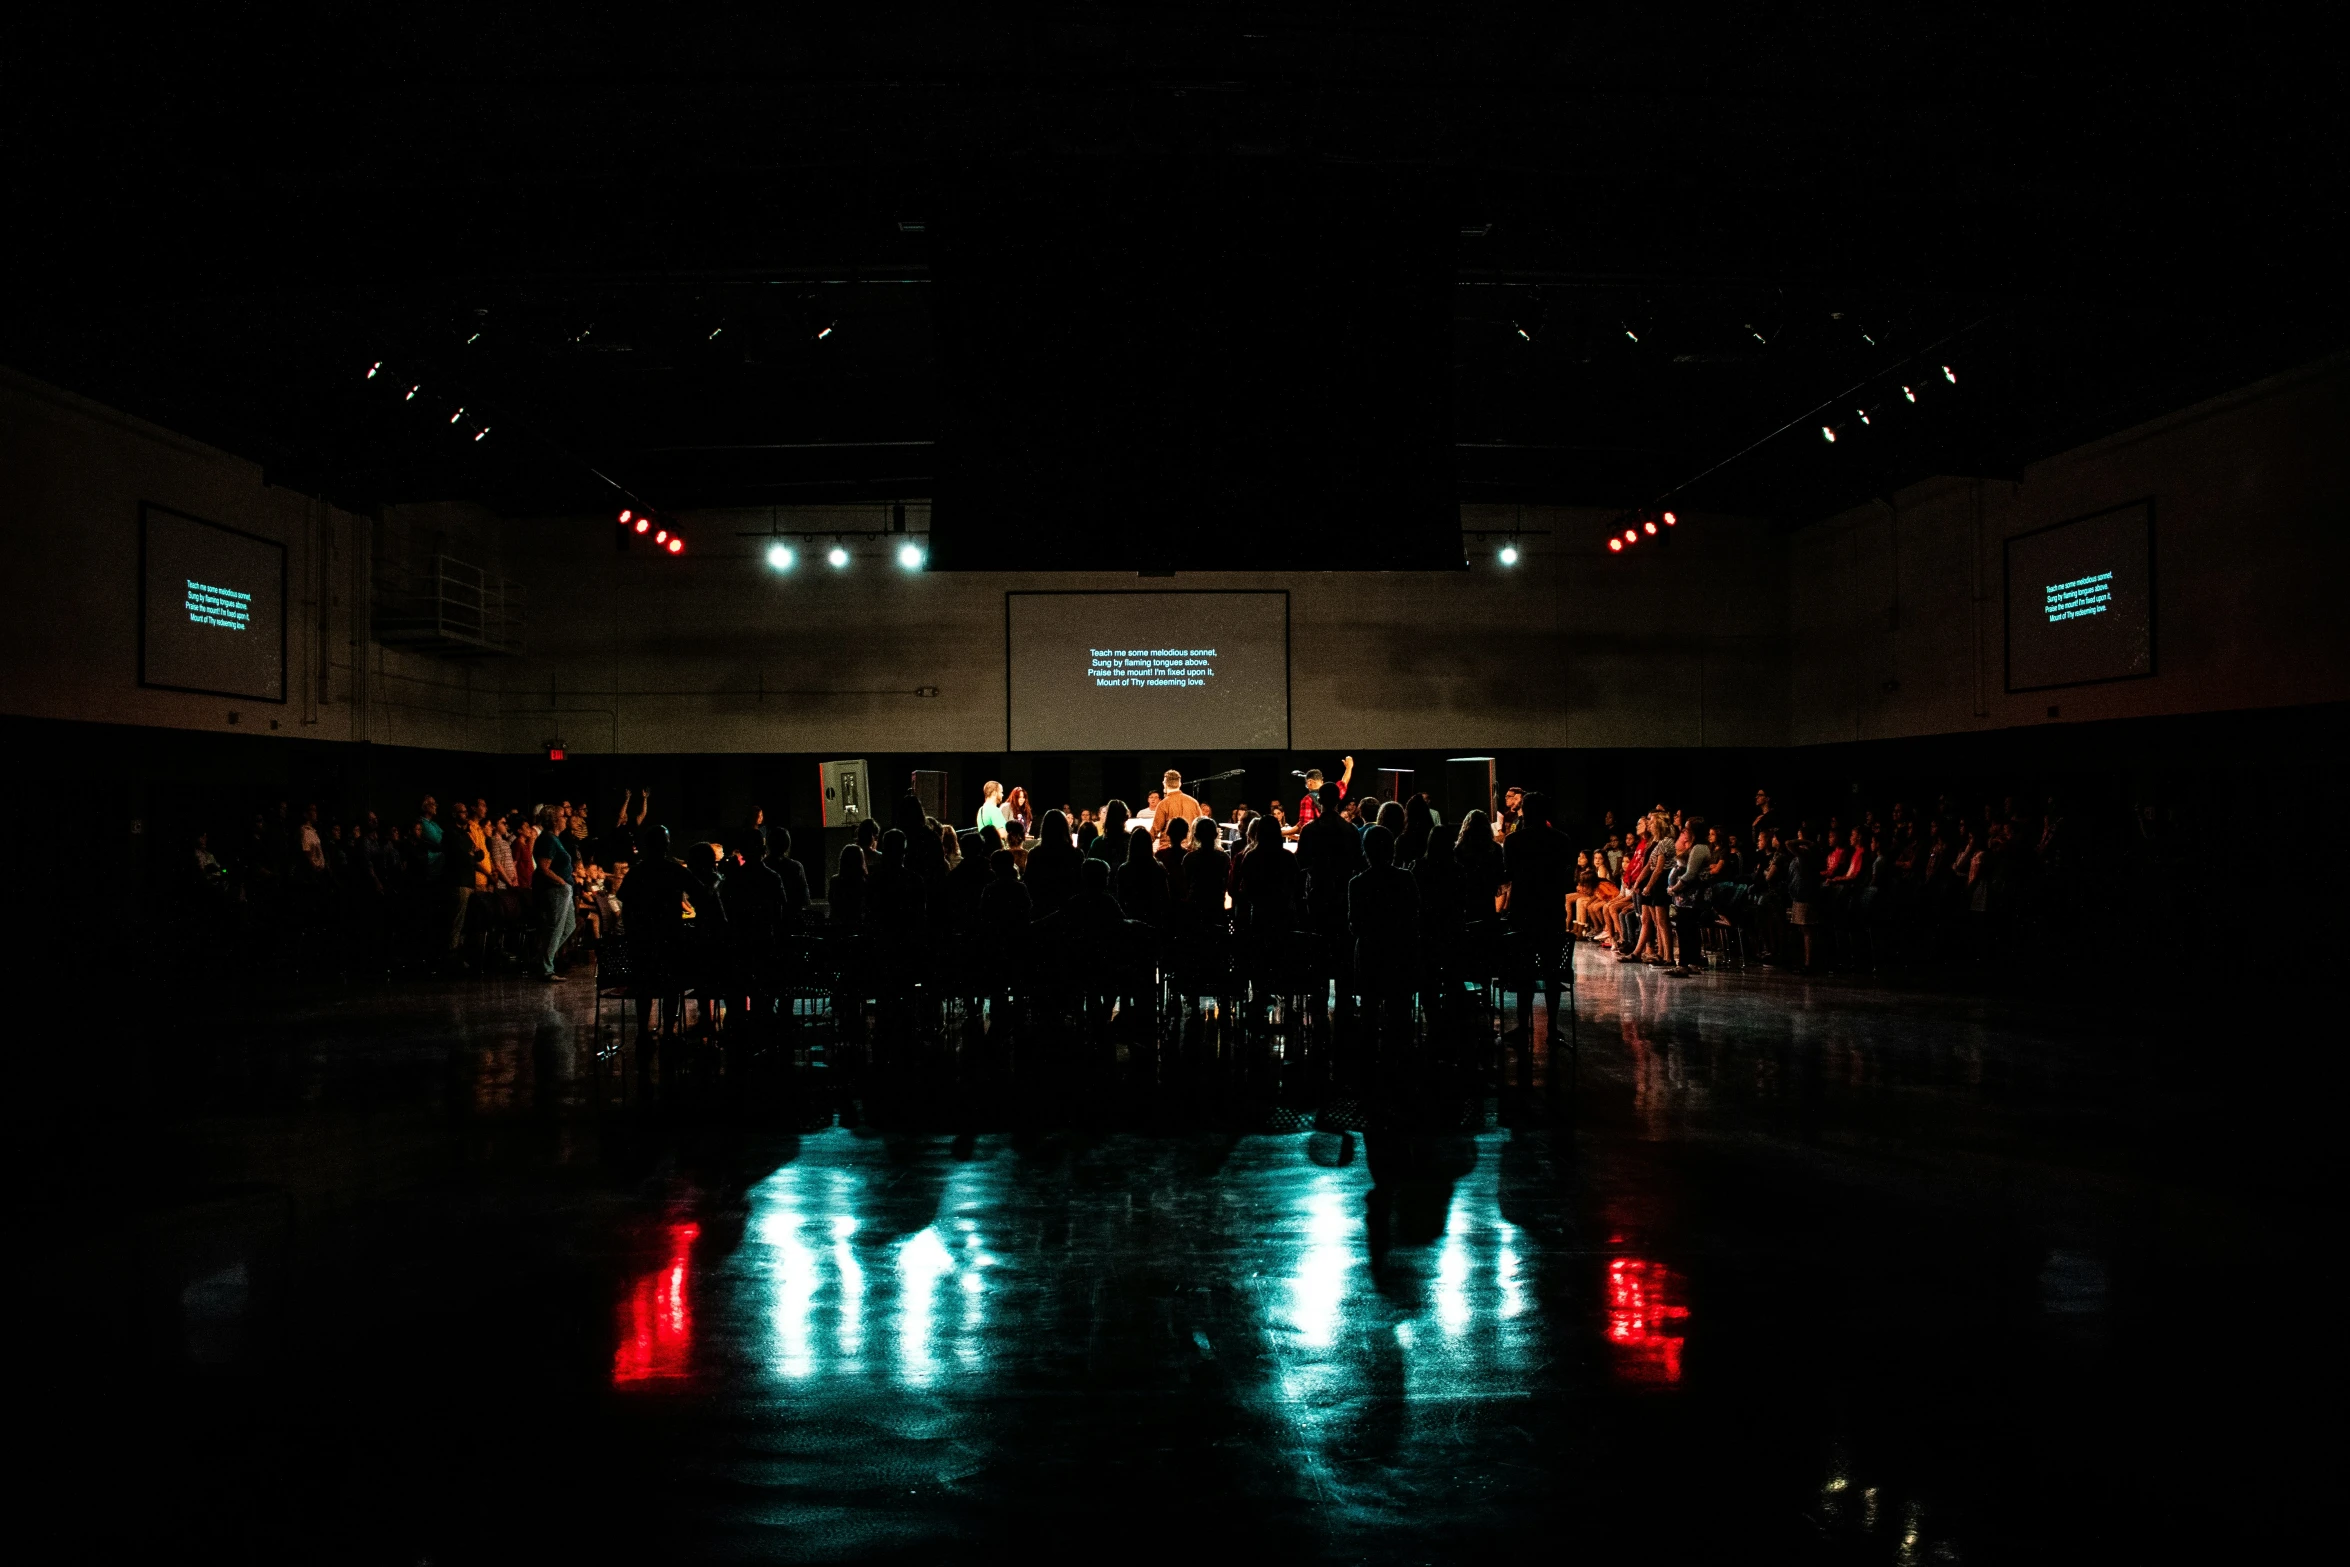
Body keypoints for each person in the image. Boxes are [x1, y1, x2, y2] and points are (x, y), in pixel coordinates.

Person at [1348, 824, 1420, 1022]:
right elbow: (1414, 914)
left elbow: (1355, 925)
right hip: (1400, 952)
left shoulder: (1357, 883)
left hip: (1370, 954)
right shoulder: (1406, 878)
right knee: (1399, 1012)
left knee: (1369, 1011)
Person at [1296, 782, 1367, 944]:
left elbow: (1301, 863)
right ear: (1338, 801)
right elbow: (1358, 863)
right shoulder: (1351, 830)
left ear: (1319, 800)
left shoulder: (1309, 830)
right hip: (1342, 894)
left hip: (1317, 893)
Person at [531, 804, 577, 981]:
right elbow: (543, 868)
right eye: (563, 816)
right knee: (555, 927)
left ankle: (541, 959)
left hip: (563, 889)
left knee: (568, 926)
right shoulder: (547, 839)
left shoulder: (555, 839)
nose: (566, 819)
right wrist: (562, 882)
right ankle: (546, 967)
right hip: (555, 890)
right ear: (554, 820)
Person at [1025, 808, 1083, 915]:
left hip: (1042, 909)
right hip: (1069, 910)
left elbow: (1029, 883)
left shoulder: (1035, 854)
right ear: (1065, 828)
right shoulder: (1075, 854)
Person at [1112, 823, 1170, 926]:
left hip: (1132, 917)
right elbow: (1165, 897)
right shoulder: (1158, 868)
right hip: (1154, 918)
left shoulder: (1124, 869)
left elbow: (1120, 898)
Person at [1295, 756, 1354, 828]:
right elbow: (1344, 782)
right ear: (1322, 781)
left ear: (1310, 782)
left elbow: (1304, 826)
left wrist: (1284, 833)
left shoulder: (1307, 799)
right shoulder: (1333, 793)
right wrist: (1349, 768)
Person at [1153, 770, 1204, 850]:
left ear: (1164, 784)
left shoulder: (1163, 804)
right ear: (1179, 784)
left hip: (1168, 852)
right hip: (1190, 850)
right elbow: (1201, 827)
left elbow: (1154, 830)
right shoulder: (1193, 802)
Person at [827, 842, 869, 928]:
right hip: (858, 926)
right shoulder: (864, 883)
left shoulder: (834, 881)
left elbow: (831, 901)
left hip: (837, 926)